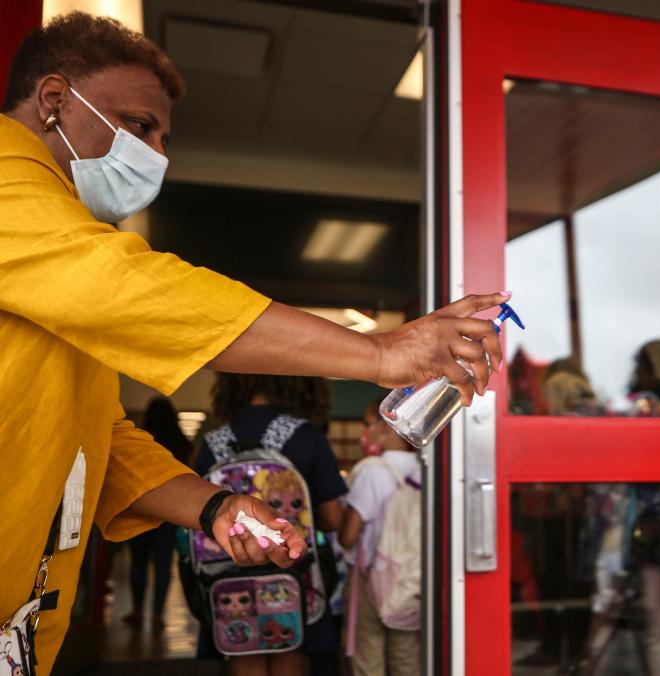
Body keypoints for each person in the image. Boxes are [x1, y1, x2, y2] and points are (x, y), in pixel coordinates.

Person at [0, 12, 509, 673]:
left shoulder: (52, 258)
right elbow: (129, 287)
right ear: (54, 100)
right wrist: (381, 354)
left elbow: (101, 439)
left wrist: (214, 506)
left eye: (163, 137)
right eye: (139, 125)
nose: (157, 153)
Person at [194, 374, 345, 676]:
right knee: (290, 646)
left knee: (241, 644)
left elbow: (197, 512)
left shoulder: (213, 441)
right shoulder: (306, 435)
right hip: (294, 570)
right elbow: (332, 519)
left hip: (227, 573)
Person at [338, 400, 421, 676]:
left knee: (368, 656)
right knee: (406, 656)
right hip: (411, 576)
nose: (368, 432)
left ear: (389, 427)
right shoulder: (426, 469)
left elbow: (348, 537)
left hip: (371, 575)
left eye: (370, 424)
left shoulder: (372, 470)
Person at [123, 396, 194, 630]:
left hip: (139, 510)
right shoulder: (181, 443)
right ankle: (157, 615)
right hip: (170, 514)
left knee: (139, 563)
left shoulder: (140, 440)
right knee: (163, 564)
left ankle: (137, 611)